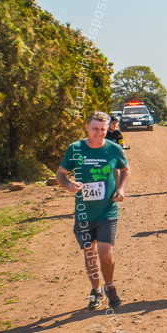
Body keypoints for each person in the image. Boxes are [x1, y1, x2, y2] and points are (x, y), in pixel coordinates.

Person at [55, 112, 131, 310]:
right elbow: (60, 174)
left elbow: (126, 170)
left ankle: (110, 286)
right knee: (90, 253)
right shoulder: (75, 149)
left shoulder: (113, 149)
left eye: (103, 129)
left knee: (105, 253)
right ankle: (96, 291)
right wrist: (69, 185)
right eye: (95, 129)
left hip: (107, 211)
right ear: (87, 128)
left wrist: (121, 189)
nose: (99, 133)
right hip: (84, 212)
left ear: (108, 129)